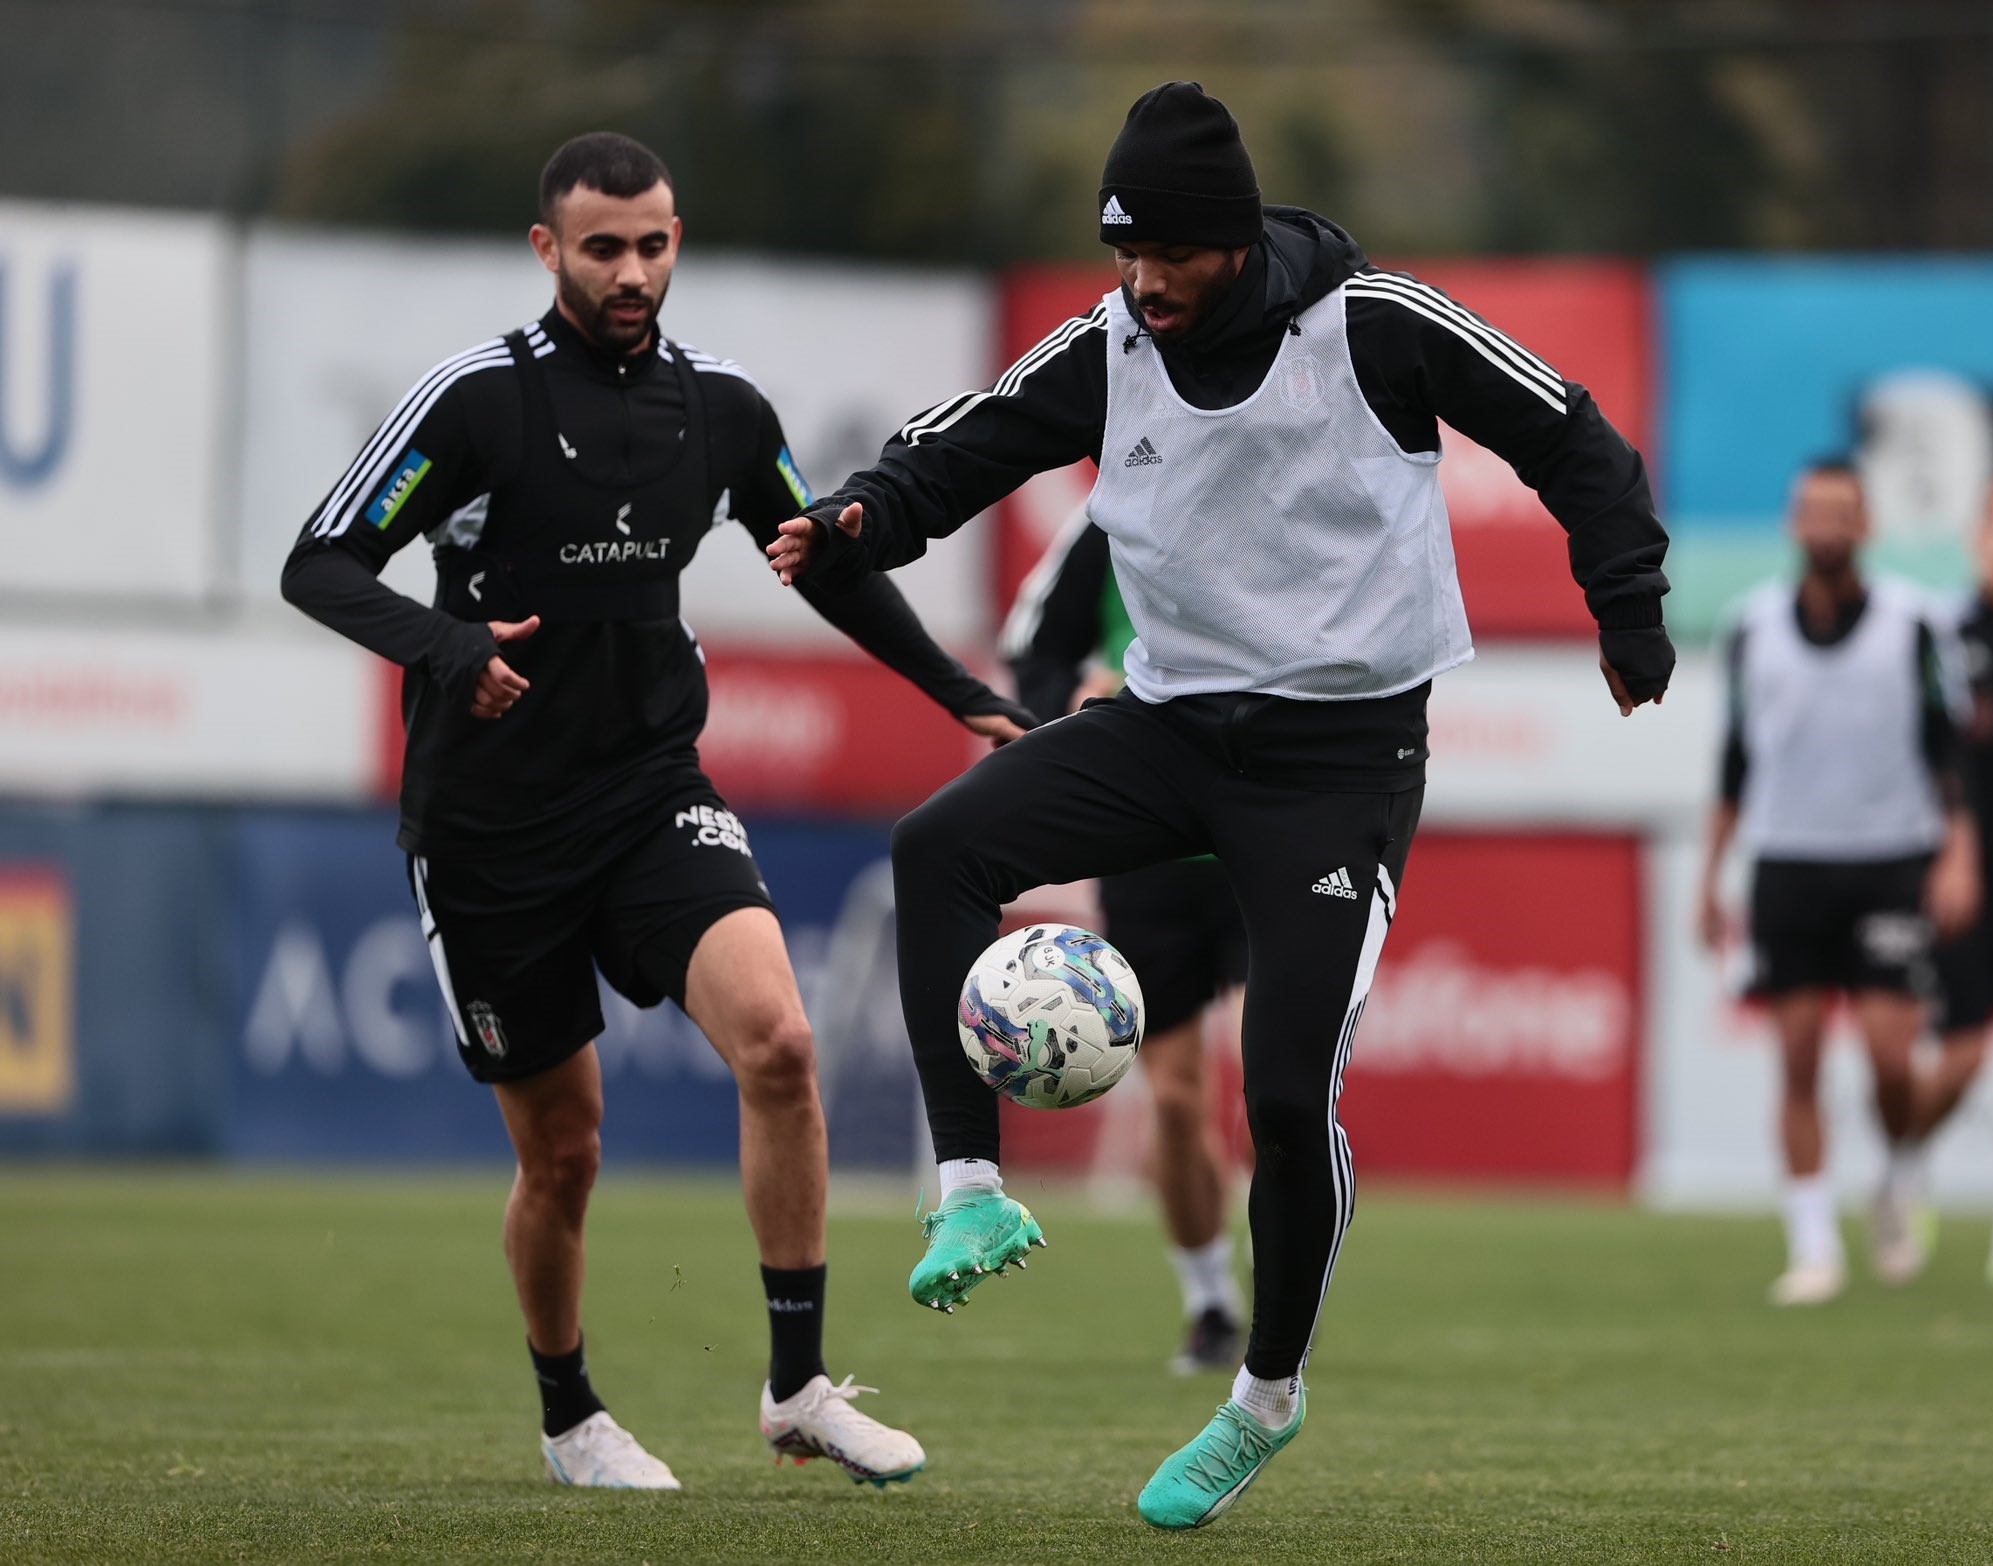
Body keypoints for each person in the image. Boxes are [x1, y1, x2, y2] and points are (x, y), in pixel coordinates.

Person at [768, 83, 1674, 1529]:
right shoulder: (1115, 340)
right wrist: (872, 512)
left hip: (1339, 765)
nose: (1142, 284)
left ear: (1236, 240)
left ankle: (1264, 1395)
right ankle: (971, 1184)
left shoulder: (1379, 324)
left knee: (1283, 1089)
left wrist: (1627, 612)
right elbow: (975, 442)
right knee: (942, 843)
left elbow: (1574, 437)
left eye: (1169, 256)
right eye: (1122, 255)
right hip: (1171, 725)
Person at [281, 132, 1031, 1490]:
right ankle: (572, 1414)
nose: (635, 271)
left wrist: (959, 690)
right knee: (565, 1153)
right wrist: (448, 651)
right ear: (548, 250)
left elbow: (819, 561)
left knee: (783, 1042)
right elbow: (318, 563)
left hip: (649, 794)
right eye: (606, 247)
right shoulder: (472, 404)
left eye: (656, 243)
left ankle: (797, 1386)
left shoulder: (725, 411)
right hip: (489, 832)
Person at [1697, 459, 1978, 1307]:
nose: (1826, 525)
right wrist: (1710, 877)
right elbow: (1735, 762)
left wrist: (1959, 851)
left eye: (1842, 512)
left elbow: (1948, 745)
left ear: (1866, 527)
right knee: (1798, 1057)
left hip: (1892, 857)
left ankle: (1897, 1172)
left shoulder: (1915, 623)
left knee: (1894, 1059)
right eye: (1813, 510)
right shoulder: (1751, 629)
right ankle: (1813, 1245)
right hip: (1787, 860)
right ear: (1794, 524)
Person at [1003, 510, 1249, 1373]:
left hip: (1268, 837)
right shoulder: (1112, 517)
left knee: (1281, 1085)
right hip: (1148, 852)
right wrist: (1067, 710)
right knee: (1179, 1100)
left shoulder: (1277, 490)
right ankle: (1212, 1299)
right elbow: (1033, 648)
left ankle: (1290, 1293)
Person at [1906, 471, 1993, 1292]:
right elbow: (1926, 757)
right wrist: (1944, 858)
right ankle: (1907, 1153)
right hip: (1961, 880)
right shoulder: (1944, 638)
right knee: (1962, 1059)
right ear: (1978, 535)